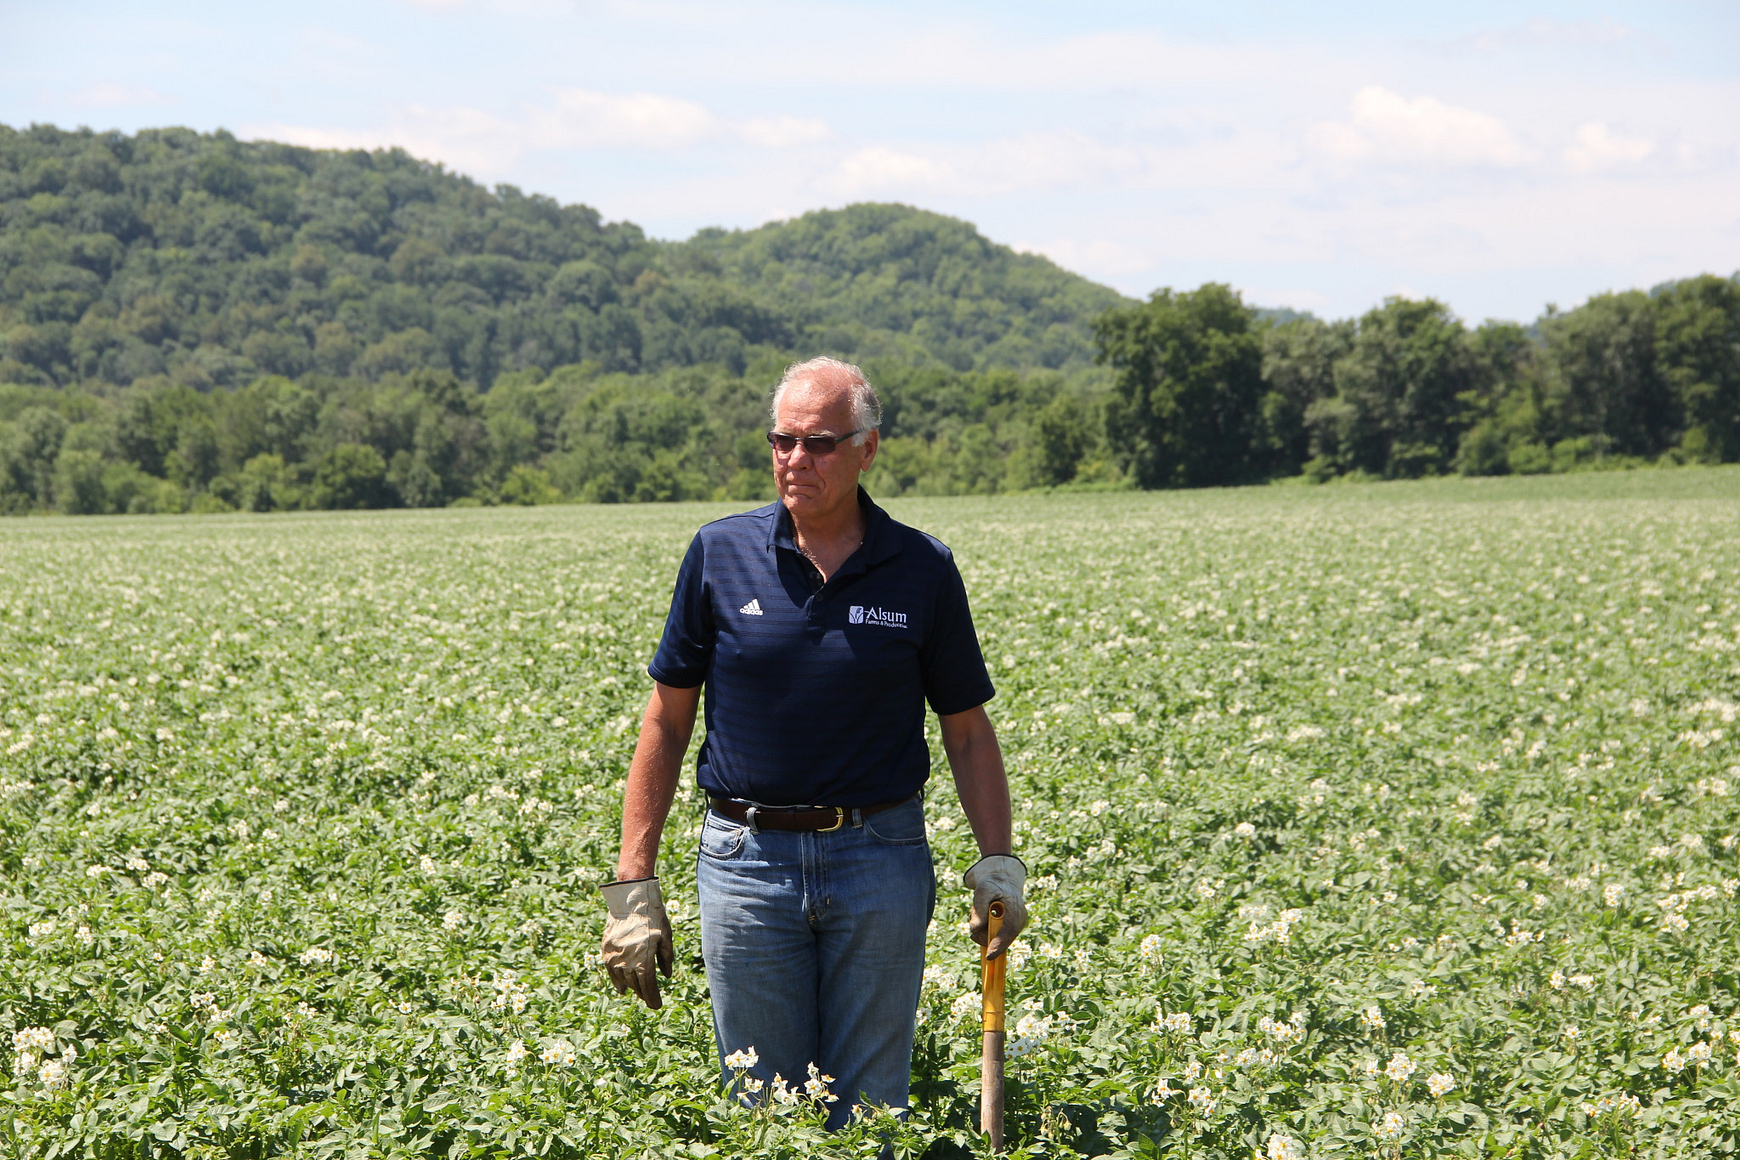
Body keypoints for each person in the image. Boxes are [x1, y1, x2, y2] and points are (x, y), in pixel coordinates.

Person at [598, 356, 1028, 1126]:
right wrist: (634, 881)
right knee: (762, 1105)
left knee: (870, 1108)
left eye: (820, 443)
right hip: (745, 861)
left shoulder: (922, 568)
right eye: (782, 440)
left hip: (881, 860)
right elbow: (667, 717)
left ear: (867, 449)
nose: (796, 459)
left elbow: (965, 730)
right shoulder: (718, 553)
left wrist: (997, 861)